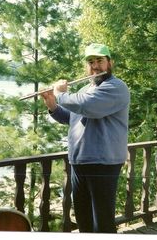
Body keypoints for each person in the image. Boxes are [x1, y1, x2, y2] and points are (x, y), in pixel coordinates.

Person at [40, 43, 130, 233]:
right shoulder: (84, 90)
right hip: (79, 162)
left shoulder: (116, 87)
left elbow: (89, 107)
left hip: (103, 163)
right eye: (91, 62)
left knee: (102, 223)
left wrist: (61, 94)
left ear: (109, 63)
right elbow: (72, 117)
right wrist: (53, 105)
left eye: (100, 61)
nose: (95, 66)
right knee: (83, 220)